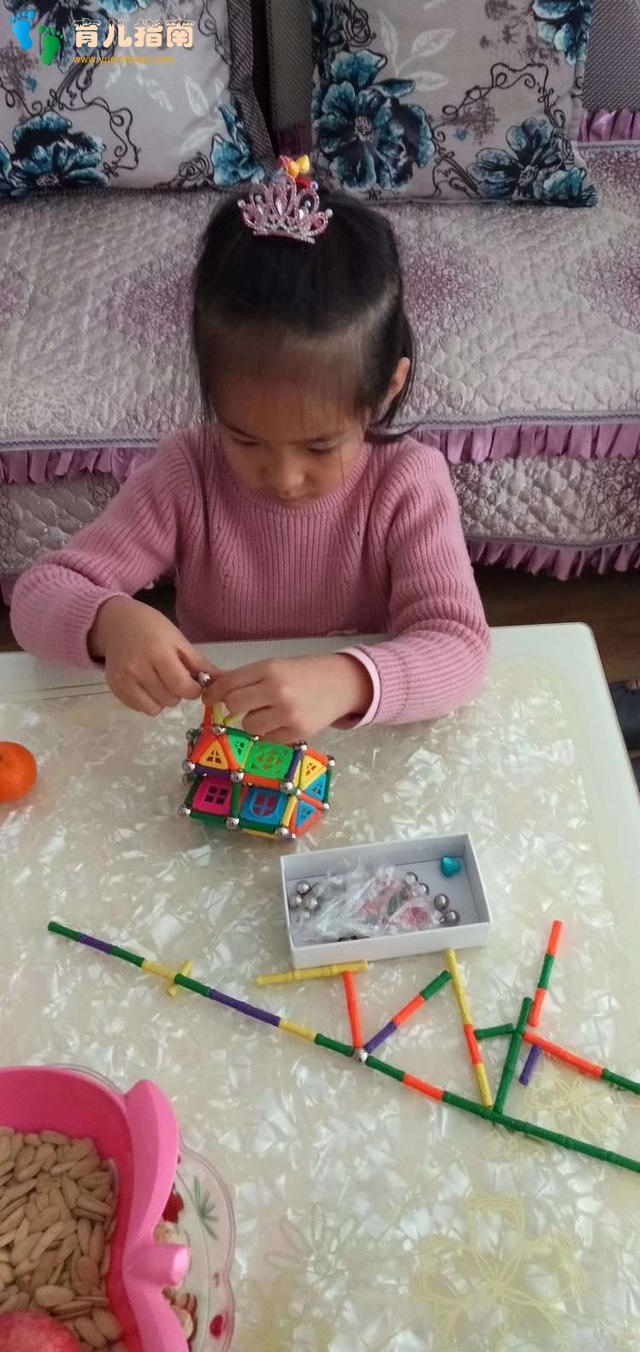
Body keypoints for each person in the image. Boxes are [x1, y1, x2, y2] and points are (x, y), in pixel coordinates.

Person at [11, 157, 490, 740]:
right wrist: (109, 622)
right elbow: (37, 596)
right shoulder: (188, 473)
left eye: (320, 446)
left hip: (355, 741)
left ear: (385, 390)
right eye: (244, 438)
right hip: (222, 738)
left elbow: (459, 646)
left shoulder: (407, 482)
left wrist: (350, 679)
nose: (284, 476)